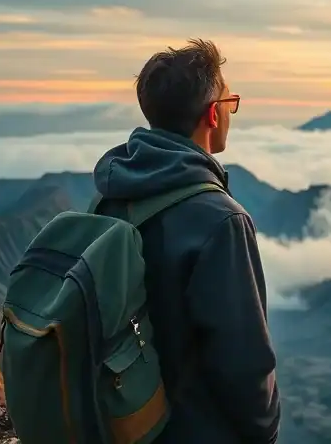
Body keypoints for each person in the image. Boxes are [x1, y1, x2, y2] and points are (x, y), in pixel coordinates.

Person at [91, 39, 281, 444]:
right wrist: (265, 431)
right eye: (230, 102)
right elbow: (244, 363)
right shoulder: (221, 220)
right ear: (213, 113)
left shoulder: (110, 195)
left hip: (125, 423)